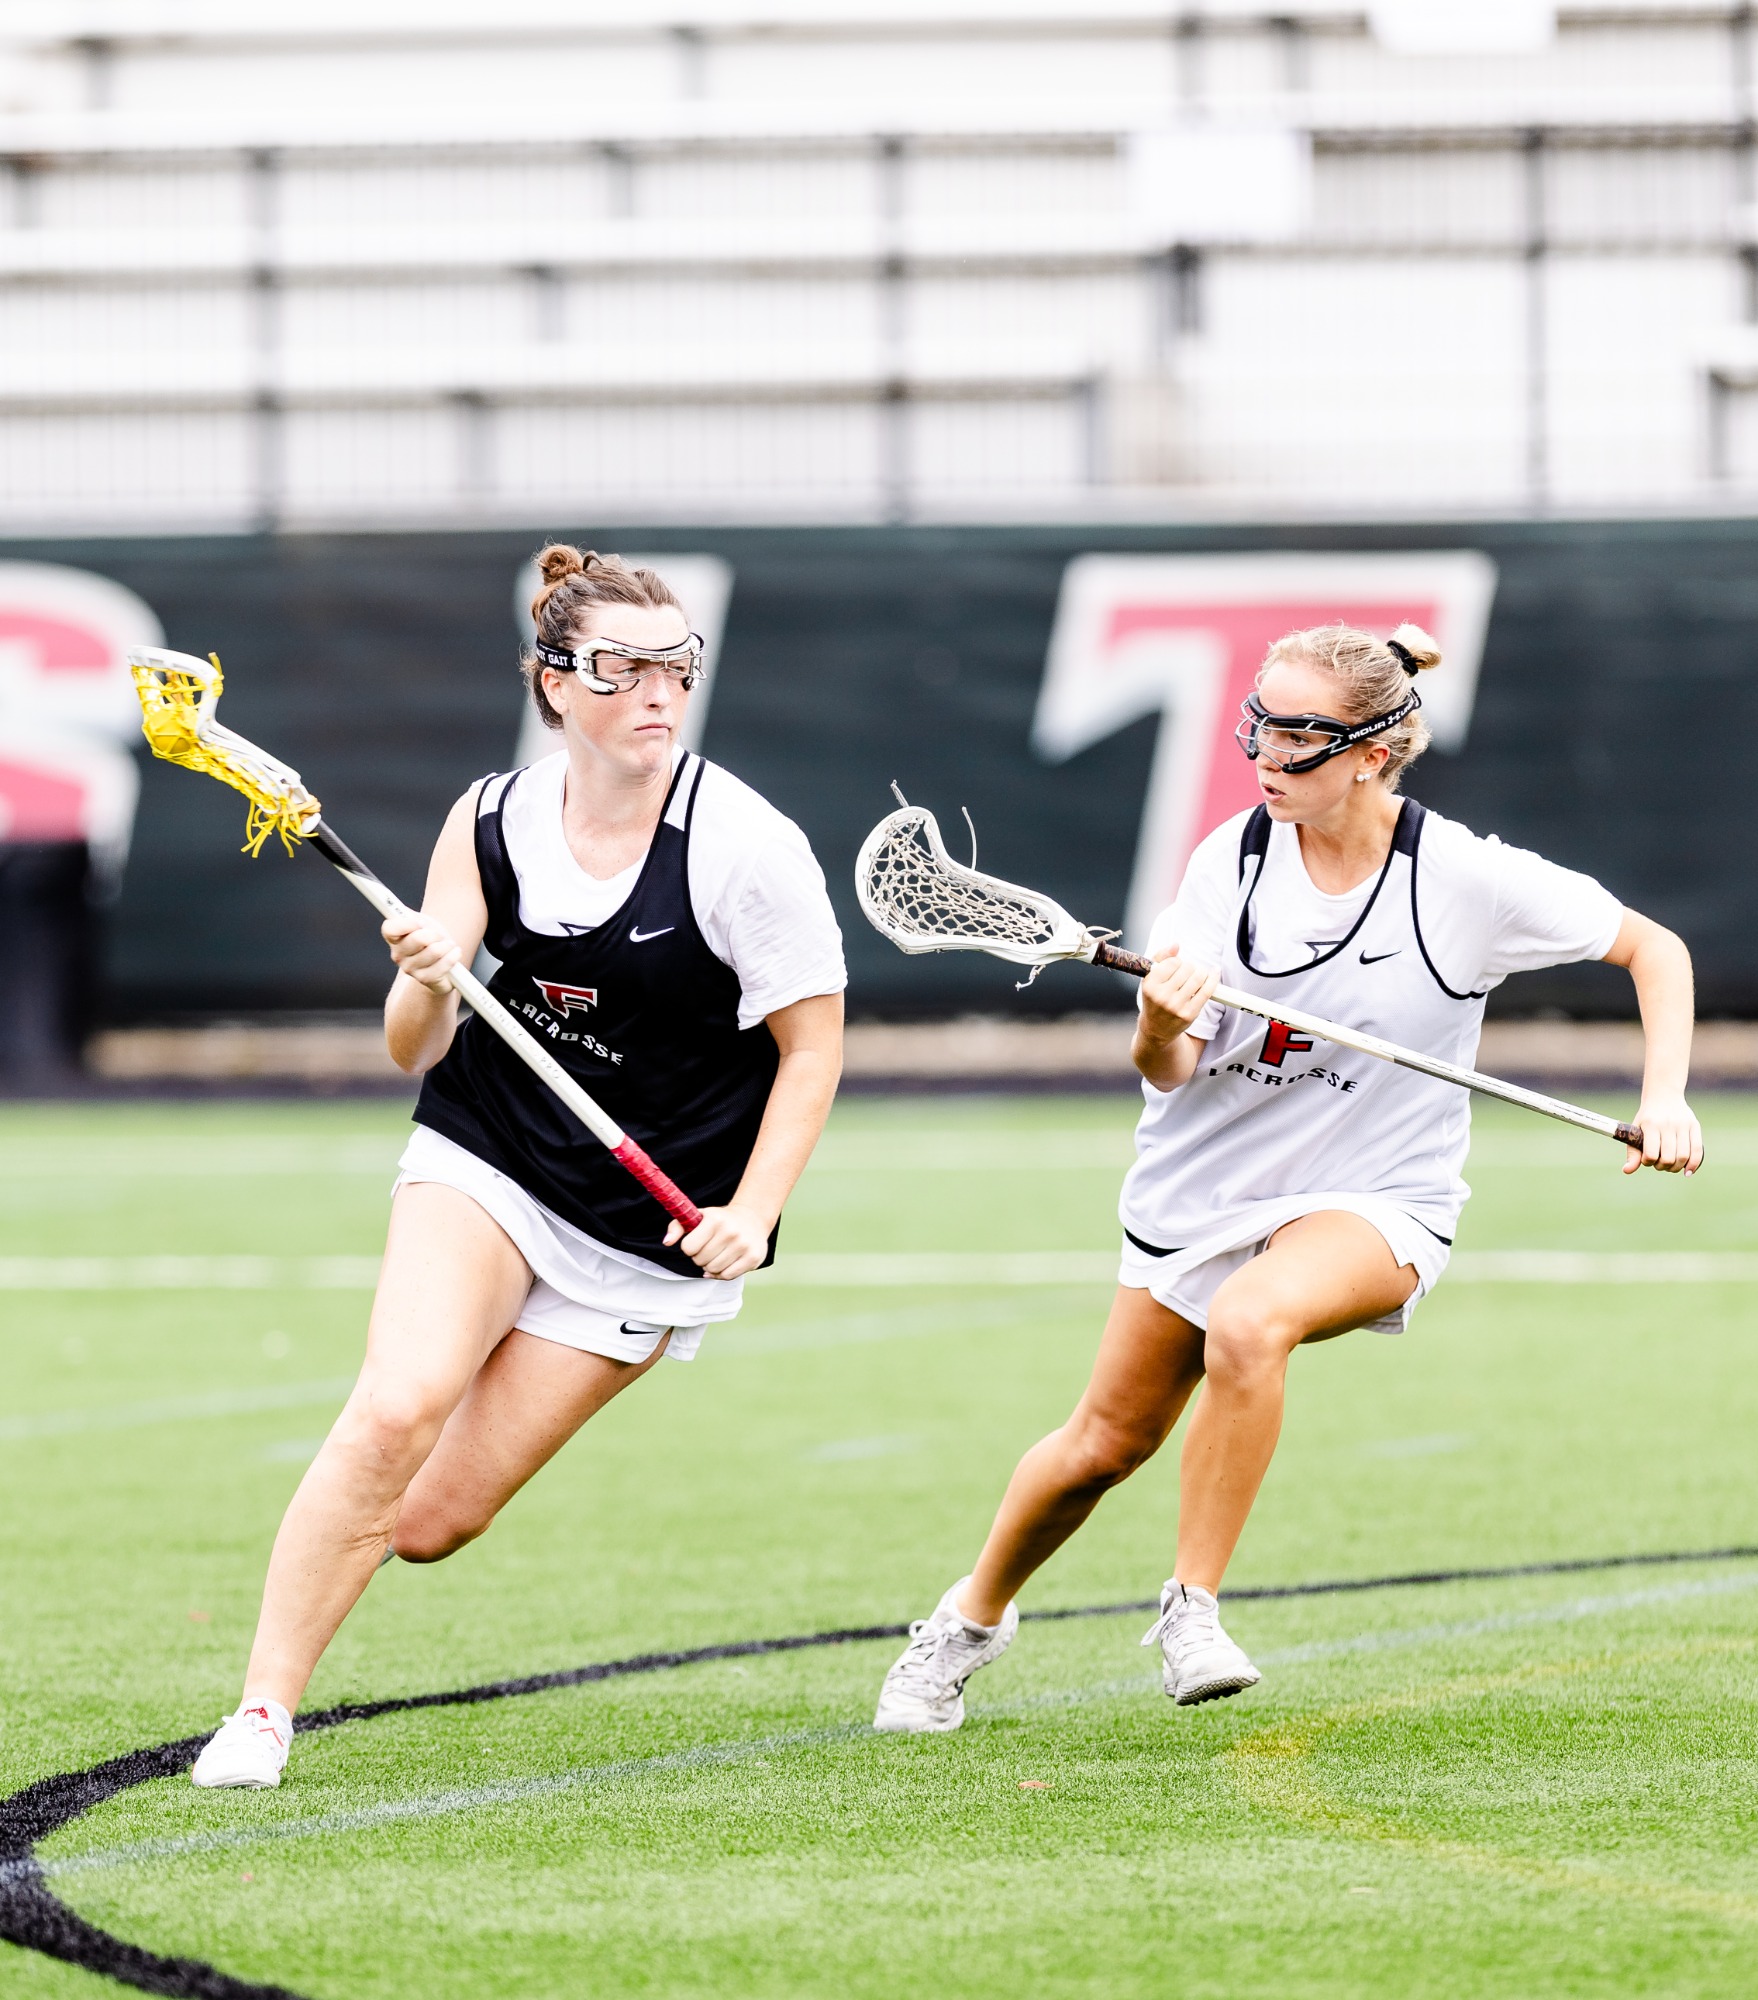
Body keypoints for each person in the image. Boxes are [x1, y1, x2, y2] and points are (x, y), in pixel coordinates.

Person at [875, 619, 1701, 1733]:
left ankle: (1190, 1607)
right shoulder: (1231, 863)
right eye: (1258, 724)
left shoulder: (1463, 877)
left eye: (1299, 734)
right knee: (1101, 1444)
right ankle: (967, 1621)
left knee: (1254, 1321)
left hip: (1379, 1190)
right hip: (1205, 1187)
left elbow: (1657, 949)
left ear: (1372, 750)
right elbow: (1167, 1072)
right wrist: (1157, 1023)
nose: (1266, 753)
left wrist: (1665, 1095)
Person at [194, 546, 846, 1788]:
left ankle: (356, 1532)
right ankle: (262, 1712)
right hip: (489, 1149)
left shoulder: (745, 846)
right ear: (554, 681)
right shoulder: (488, 819)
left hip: (649, 1222)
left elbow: (810, 1050)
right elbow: (413, 1048)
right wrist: (426, 976)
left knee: (431, 1520)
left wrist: (753, 1213)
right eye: (622, 666)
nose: (658, 691)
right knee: (393, 1407)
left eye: (675, 665)